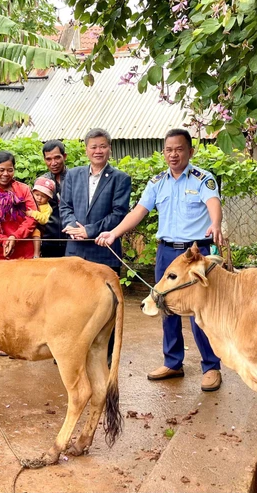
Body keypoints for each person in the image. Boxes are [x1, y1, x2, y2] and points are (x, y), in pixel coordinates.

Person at [96, 128, 225, 392]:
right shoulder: (157, 182)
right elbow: (138, 212)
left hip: (194, 253)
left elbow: (213, 203)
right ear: (163, 152)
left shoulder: (203, 179)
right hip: (167, 252)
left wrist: (216, 224)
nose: (173, 154)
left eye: (179, 149)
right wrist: (114, 233)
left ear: (190, 151)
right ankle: (173, 362)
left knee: (199, 311)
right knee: (166, 306)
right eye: (169, 150)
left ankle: (211, 367)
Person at [59, 128, 131, 365]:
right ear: (86, 149)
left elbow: (119, 213)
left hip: (104, 251)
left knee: (106, 308)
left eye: (102, 146)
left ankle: (106, 356)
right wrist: (71, 226)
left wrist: (89, 231)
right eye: (93, 146)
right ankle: (73, 350)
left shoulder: (120, 178)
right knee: (71, 305)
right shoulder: (73, 175)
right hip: (75, 251)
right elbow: (65, 207)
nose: (98, 151)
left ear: (109, 149)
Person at [0, 151, 38, 261]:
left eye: (10, 170)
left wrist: (15, 237)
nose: (6, 174)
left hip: (25, 252)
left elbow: (32, 217)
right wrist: (3, 240)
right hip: (0, 254)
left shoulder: (23, 189)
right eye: (1, 170)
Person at [38, 140, 69, 257]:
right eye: (49, 159)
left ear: (64, 156)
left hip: (73, 239)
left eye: (57, 158)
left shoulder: (75, 178)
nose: (53, 163)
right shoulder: (41, 182)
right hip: (48, 240)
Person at [28, 177, 55, 258]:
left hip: (39, 227)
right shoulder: (30, 201)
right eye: (37, 195)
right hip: (28, 225)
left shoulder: (47, 207)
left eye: (43, 196)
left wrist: (33, 213)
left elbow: (44, 219)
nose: (39, 198)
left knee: (36, 232)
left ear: (48, 198)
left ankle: (36, 253)